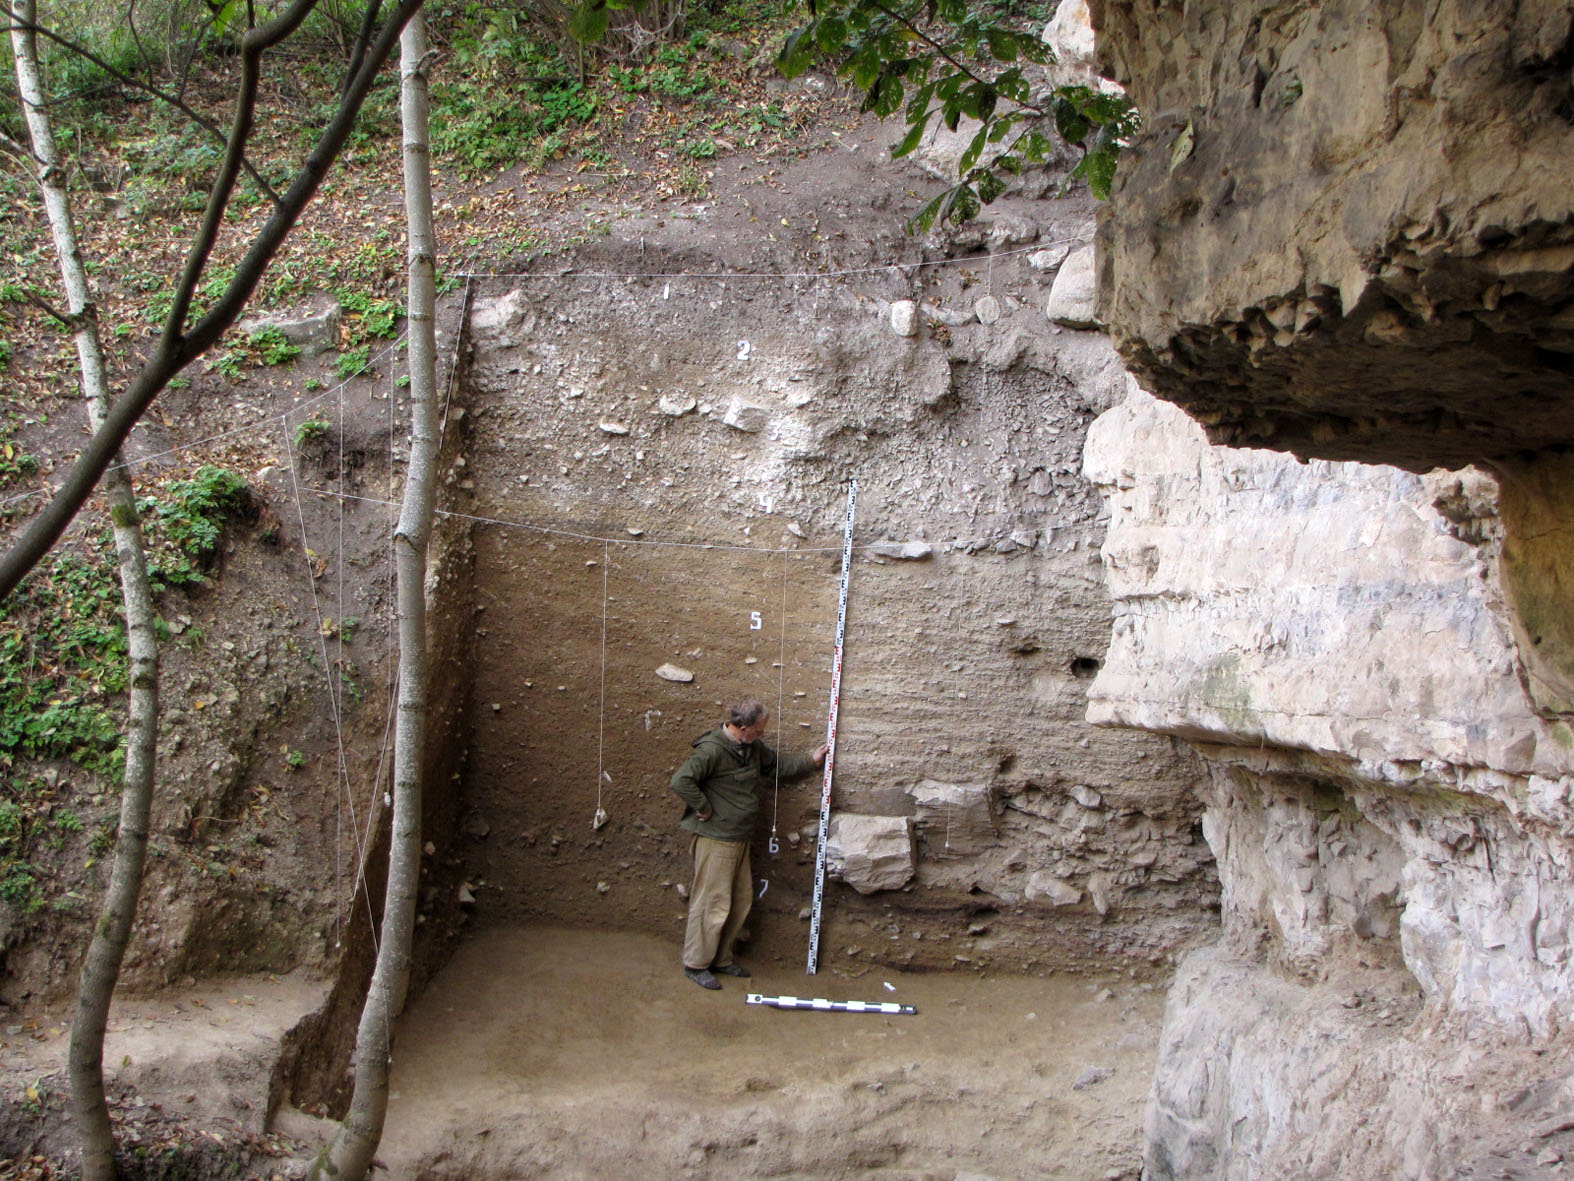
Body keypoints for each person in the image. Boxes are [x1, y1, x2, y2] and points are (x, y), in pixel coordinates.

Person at [670, 699, 828, 990]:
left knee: (739, 900)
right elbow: (681, 781)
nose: (762, 735)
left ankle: (721, 959)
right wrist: (703, 807)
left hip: (739, 838)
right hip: (717, 840)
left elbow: (776, 765)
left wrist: (810, 760)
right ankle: (696, 964)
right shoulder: (712, 750)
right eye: (759, 730)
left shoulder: (752, 747)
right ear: (742, 728)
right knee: (712, 903)